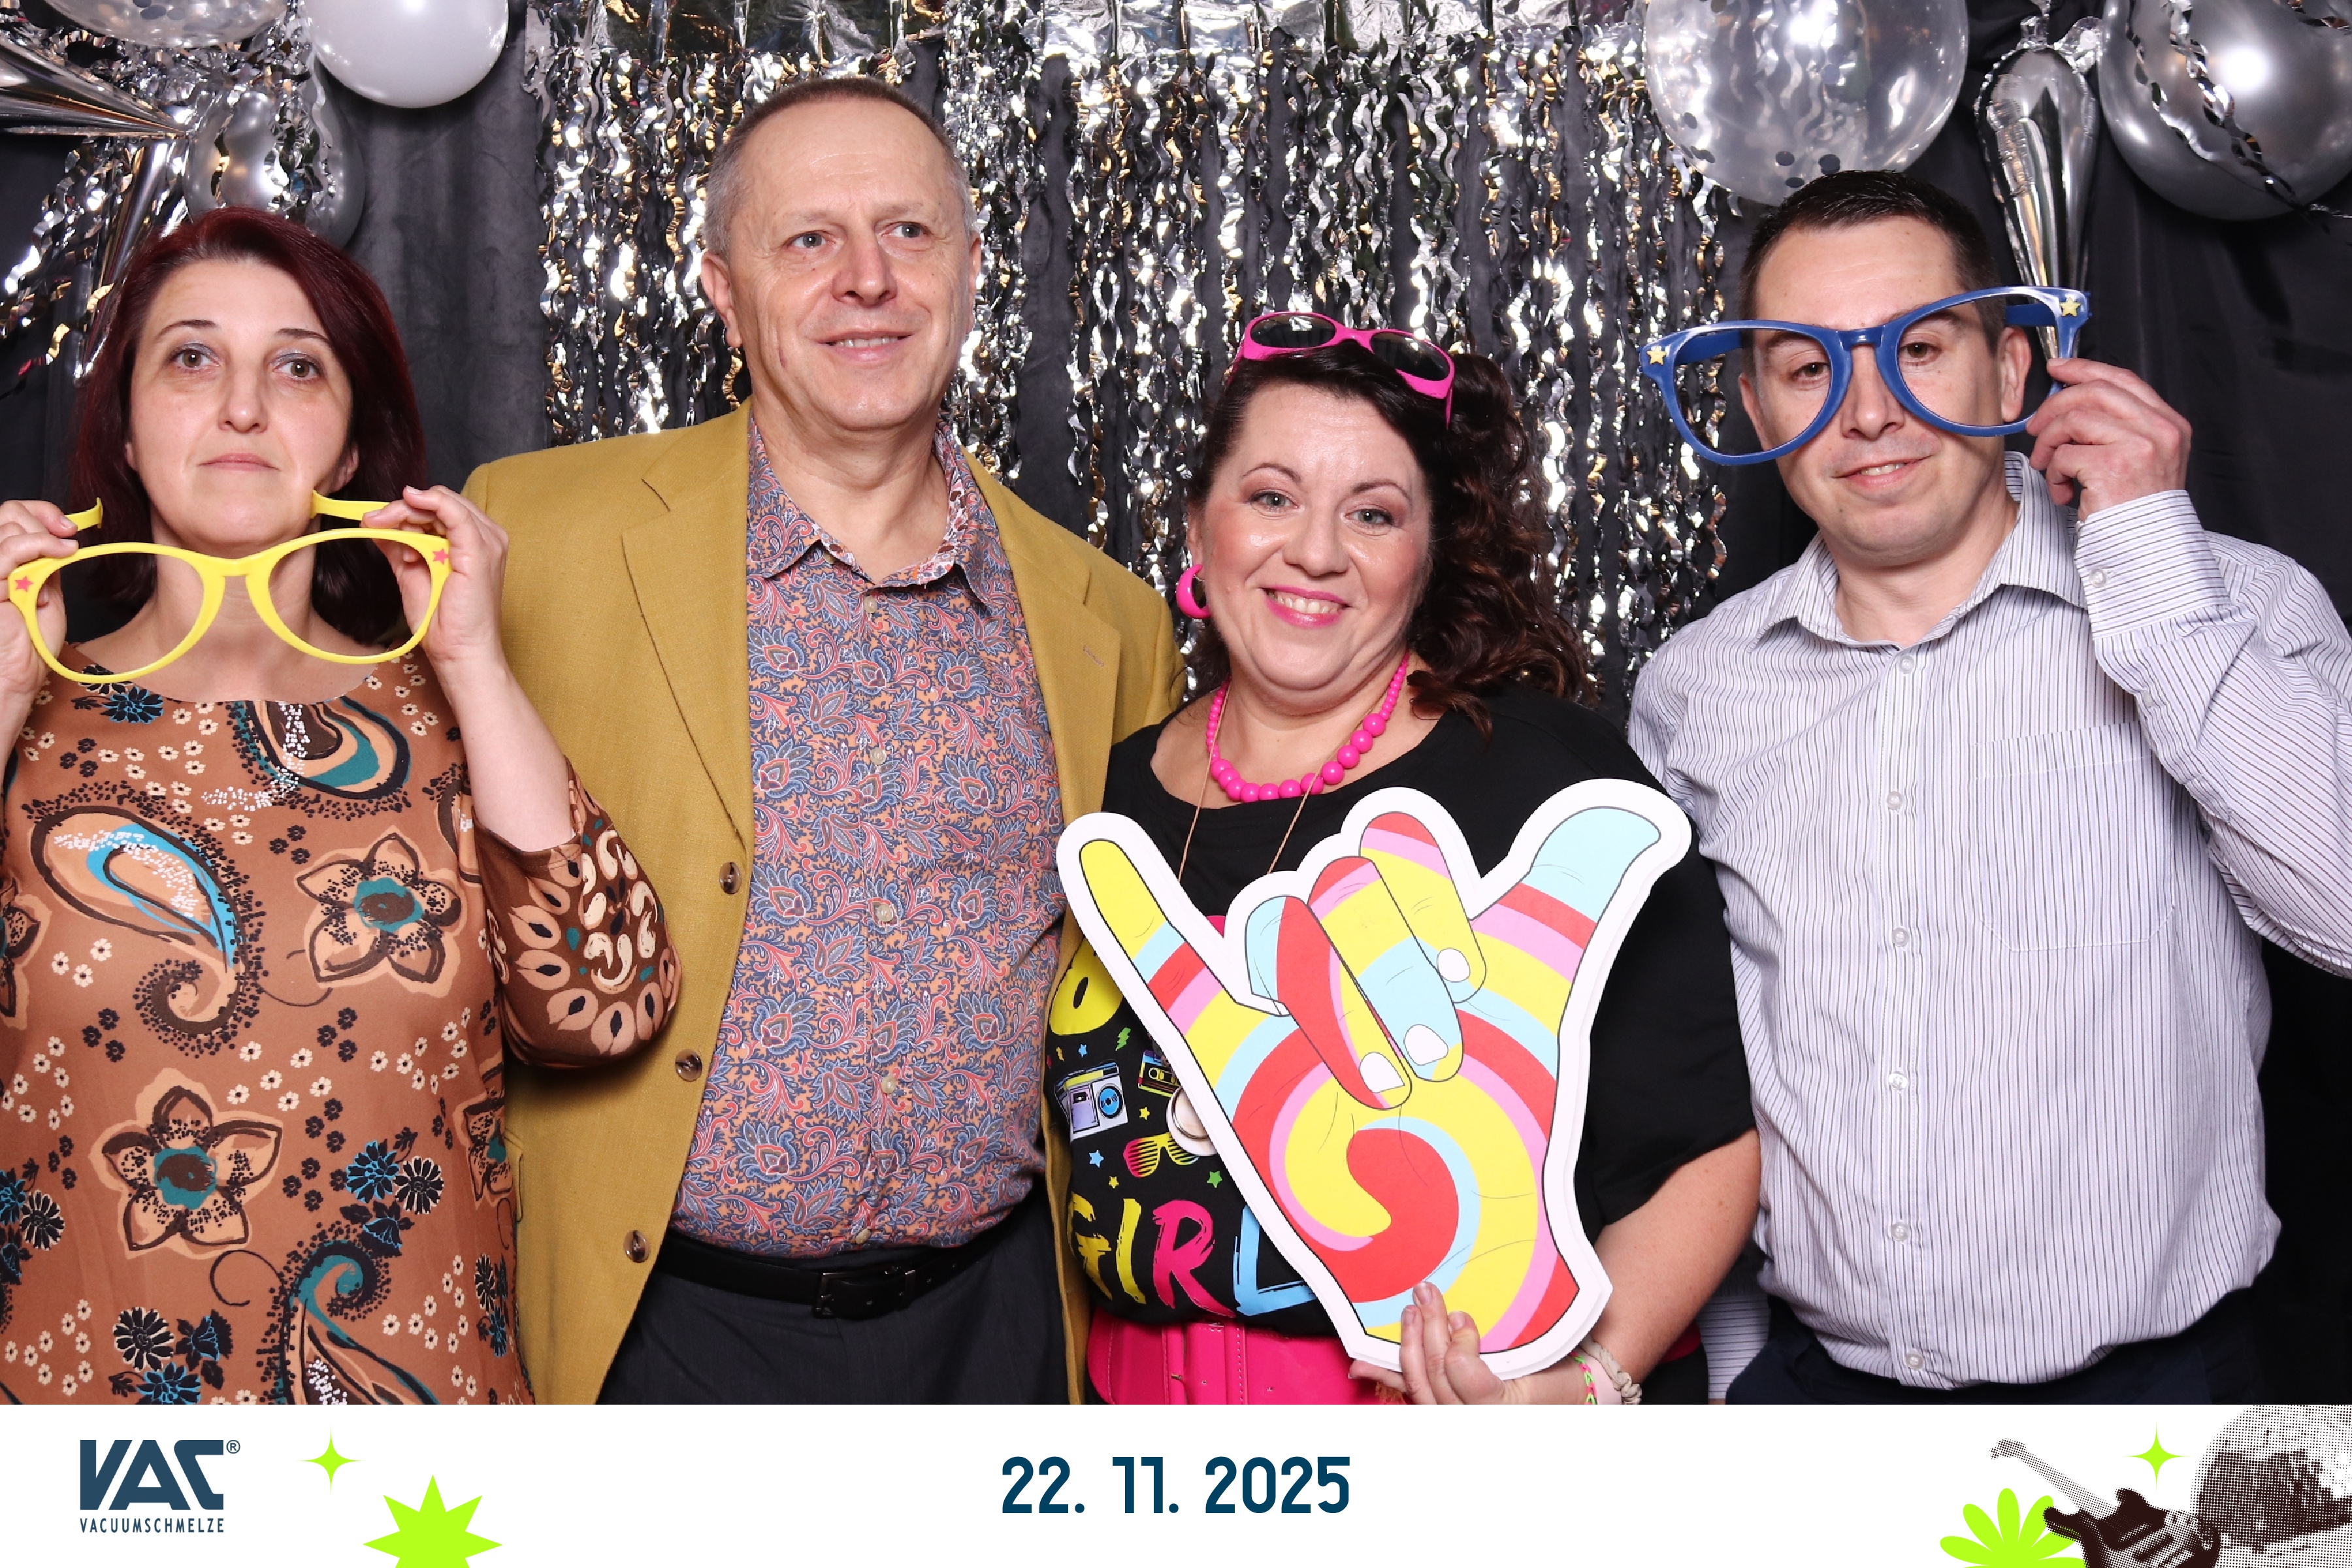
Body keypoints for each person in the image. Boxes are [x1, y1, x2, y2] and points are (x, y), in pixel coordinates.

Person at [464, 77, 1183, 1403]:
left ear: (970, 270)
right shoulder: (536, 539)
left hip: (996, 1330)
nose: (868, 279)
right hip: (660, 1333)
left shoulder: (1111, 623)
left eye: (909, 232)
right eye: (809, 239)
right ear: (724, 292)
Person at [1628, 170, 2352, 1403]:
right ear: (1755, 404)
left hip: (2163, 1406)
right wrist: (1739, 1383)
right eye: (1807, 368)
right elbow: (1703, 1074)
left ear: (2012, 371)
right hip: (1816, 1399)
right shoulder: (1695, 689)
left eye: (1919, 348)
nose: (1870, 412)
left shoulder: (2235, 602)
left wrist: (2151, 566)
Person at [0, 207, 675, 1405]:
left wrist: (475, 663)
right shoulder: (31, 716)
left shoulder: (442, 715)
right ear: (126, 433)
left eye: (298, 366)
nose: (242, 407)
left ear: (355, 445)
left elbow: (608, 1011)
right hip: (94, 1441)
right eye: (192, 358)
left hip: (417, 1456)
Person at [1051, 319, 1761, 1404]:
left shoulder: (1543, 777)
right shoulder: (1104, 787)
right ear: (1198, 523)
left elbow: (1707, 1148)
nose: (1316, 552)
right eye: (1272, 497)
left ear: (1429, 555)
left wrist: (1577, 1391)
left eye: (1373, 514)